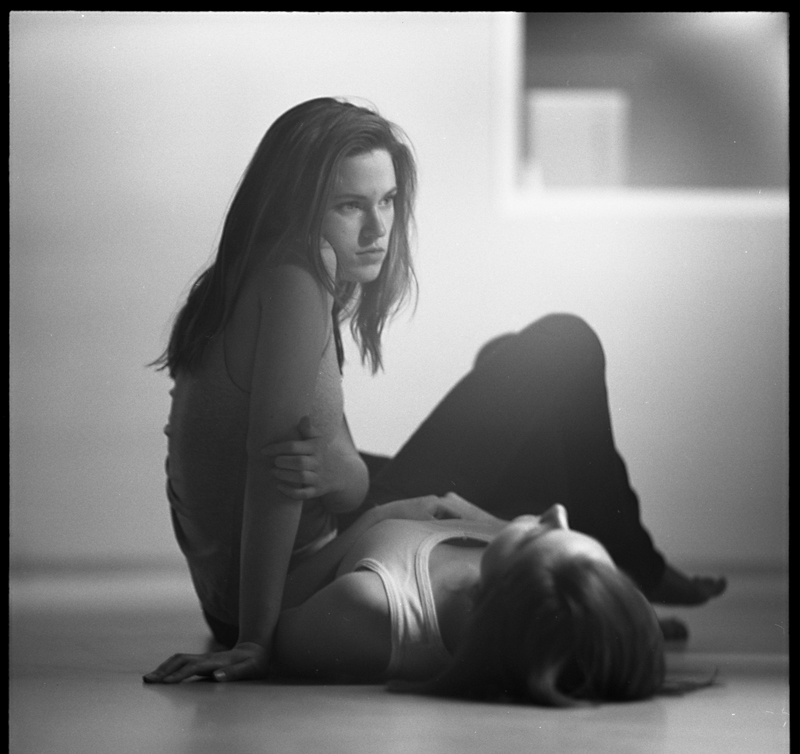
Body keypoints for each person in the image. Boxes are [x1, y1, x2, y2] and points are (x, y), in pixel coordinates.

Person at [144, 96, 725, 688]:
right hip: (275, 595)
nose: (377, 230)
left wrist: (348, 477)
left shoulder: (251, 277)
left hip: (258, 587)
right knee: (562, 345)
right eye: (350, 205)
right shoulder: (297, 277)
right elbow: (275, 474)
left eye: (388, 200)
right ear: (294, 207)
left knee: (507, 361)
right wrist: (254, 638)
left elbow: (328, 474)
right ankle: (615, 578)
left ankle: (601, 585)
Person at [148, 495, 668, 705]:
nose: (557, 510)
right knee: (526, 351)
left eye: (540, 535)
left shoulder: (375, 610)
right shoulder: (514, 572)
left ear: (497, 600)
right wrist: (610, 624)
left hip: (292, 549)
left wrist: (377, 516)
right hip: (396, 510)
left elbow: (260, 622)